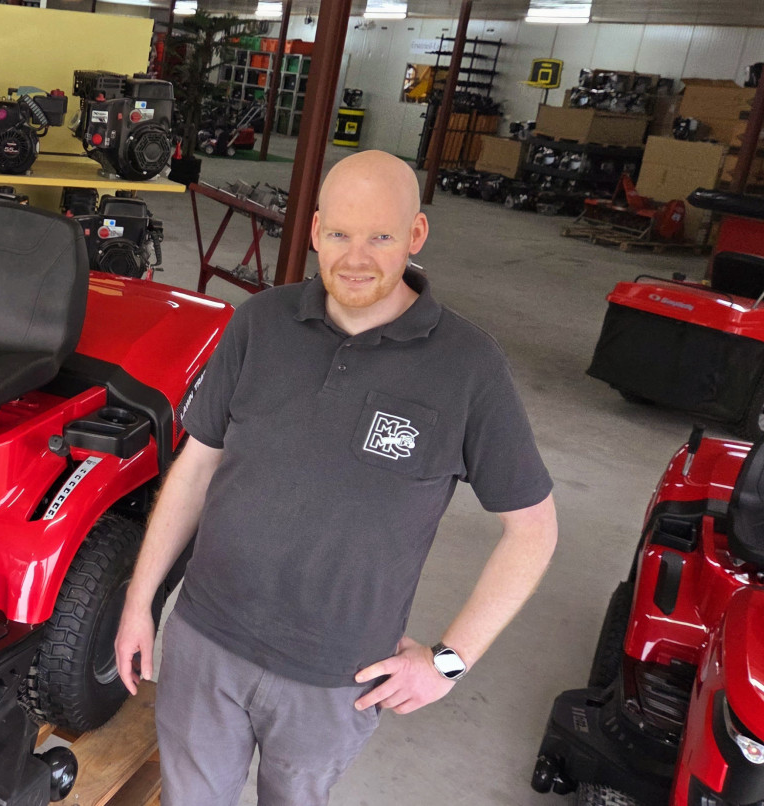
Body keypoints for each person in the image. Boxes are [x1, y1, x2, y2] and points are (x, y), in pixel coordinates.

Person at [114, 150, 559, 806]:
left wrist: (449, 661)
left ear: (416, 235)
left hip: (334, 681)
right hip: (206, 642)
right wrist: (140, 599)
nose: (356, 258)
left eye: (380, 236)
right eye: (340, 233)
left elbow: (533, 530)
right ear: (316, 230)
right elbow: (196, 468)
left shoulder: (469, 368)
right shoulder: (259, 323)